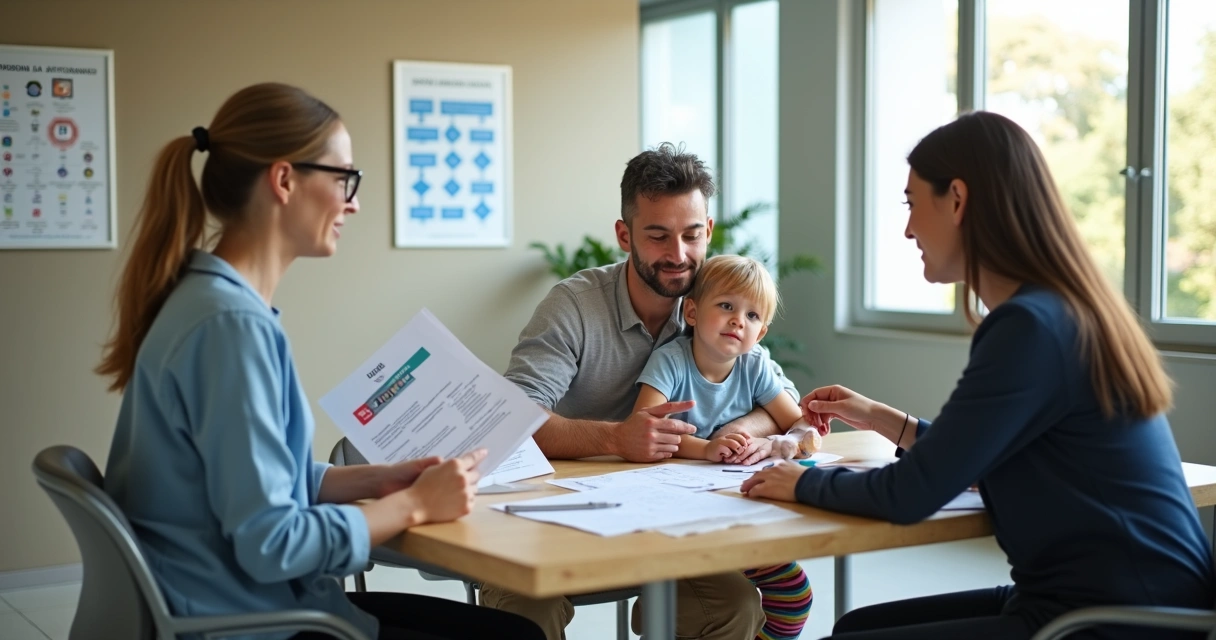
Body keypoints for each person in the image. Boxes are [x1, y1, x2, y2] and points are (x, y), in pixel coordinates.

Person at [741, 110, 1215, 640]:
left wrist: (803, 480)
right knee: (856, 625)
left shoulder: (1029, 328)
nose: (907, 228)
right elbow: (969, 458)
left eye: (912, 203)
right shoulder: (1057, 311)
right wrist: (880, 418)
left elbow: (911, 495)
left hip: (1115, 619)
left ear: (958, 200)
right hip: (1105, 596)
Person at [97, 82, 545, 640]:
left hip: (235, 601)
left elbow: (251, 482)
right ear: (284, 180)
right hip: (255, 621)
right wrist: (412, 505)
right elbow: (273, 543)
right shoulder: (231, 327)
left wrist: (377, 479)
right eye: (343, 179)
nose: (352, 202)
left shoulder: (208, 302)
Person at [480, 143, 797, 640]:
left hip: (666, 520)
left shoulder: (717, 306)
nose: (677, 255)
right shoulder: (573, 307)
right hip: (549, 516)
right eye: (657, 236)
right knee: (523, 617)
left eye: (692, 235)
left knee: (731, 605)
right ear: (625, 235)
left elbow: (780, 402)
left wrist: (740, 428)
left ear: (708, 231)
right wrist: (615, 439)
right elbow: (512, 419)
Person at [633, 254, 825, 640]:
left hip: (738, 507)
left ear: (762, 333)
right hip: (678, 514)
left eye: (753, 316)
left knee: (793, 594)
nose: (739, 320)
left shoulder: (754, 365)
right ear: (691, 311)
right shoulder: (671, 361)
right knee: (741, 600)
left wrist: (778, 442)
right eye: (726, 306)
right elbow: (645, 430)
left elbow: (802, 424)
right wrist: (705, 448)